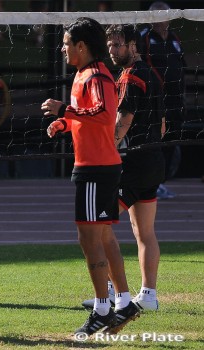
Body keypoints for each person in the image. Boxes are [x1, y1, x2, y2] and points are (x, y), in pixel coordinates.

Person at [42, 17, 140, 336]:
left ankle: (101, 308)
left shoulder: (97, 75)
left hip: (96, 170)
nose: (63, 48)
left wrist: (63, 112)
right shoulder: (82, 75)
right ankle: (124, 303)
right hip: (98, 167)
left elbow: (103, 114)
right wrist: (65, 124)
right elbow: (85, 117)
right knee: (104, 237)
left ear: (81, 46)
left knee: (89, 239)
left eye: (67, 43)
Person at [82, 24, 164, 313]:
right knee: (144, 232)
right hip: (153, 161)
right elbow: (163, 125)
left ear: (133, 45)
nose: (112, 51)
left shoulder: (130, 77)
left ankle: (107, 292)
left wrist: (105, 149)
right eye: (110, 45)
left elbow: (123, 121)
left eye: (118, 45)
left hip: (132, 163)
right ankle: (149, 295)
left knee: (96, 227)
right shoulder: (152, 75)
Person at [141, 1, 186, 199]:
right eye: (157, 17)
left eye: (164, 17)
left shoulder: (175, 39)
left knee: (171, 140)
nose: (161, 21)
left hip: (176, 100)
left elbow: (181, 66)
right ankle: (150, 183)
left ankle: (161, 182)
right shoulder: (144, 37)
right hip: (155, 101)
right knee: (153, 141)